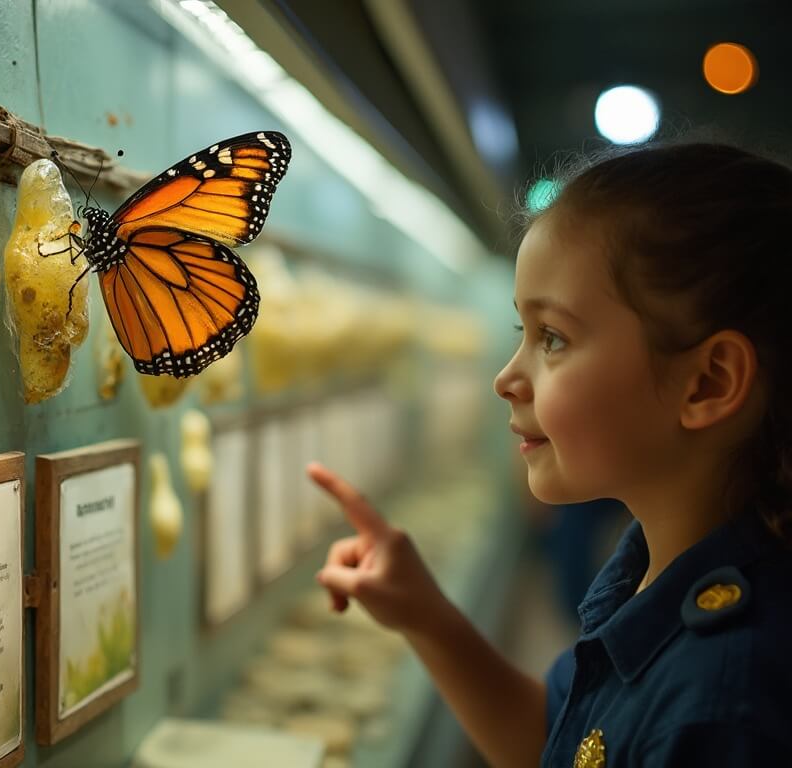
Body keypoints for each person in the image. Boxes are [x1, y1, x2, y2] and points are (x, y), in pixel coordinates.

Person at [310, 142, 792, 766]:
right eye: (523, 333)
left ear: (709, 383)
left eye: (553, 338)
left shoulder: (727, 703)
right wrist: (425, 615)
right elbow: (562, 741)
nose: (506, 378)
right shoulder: (654, 568)